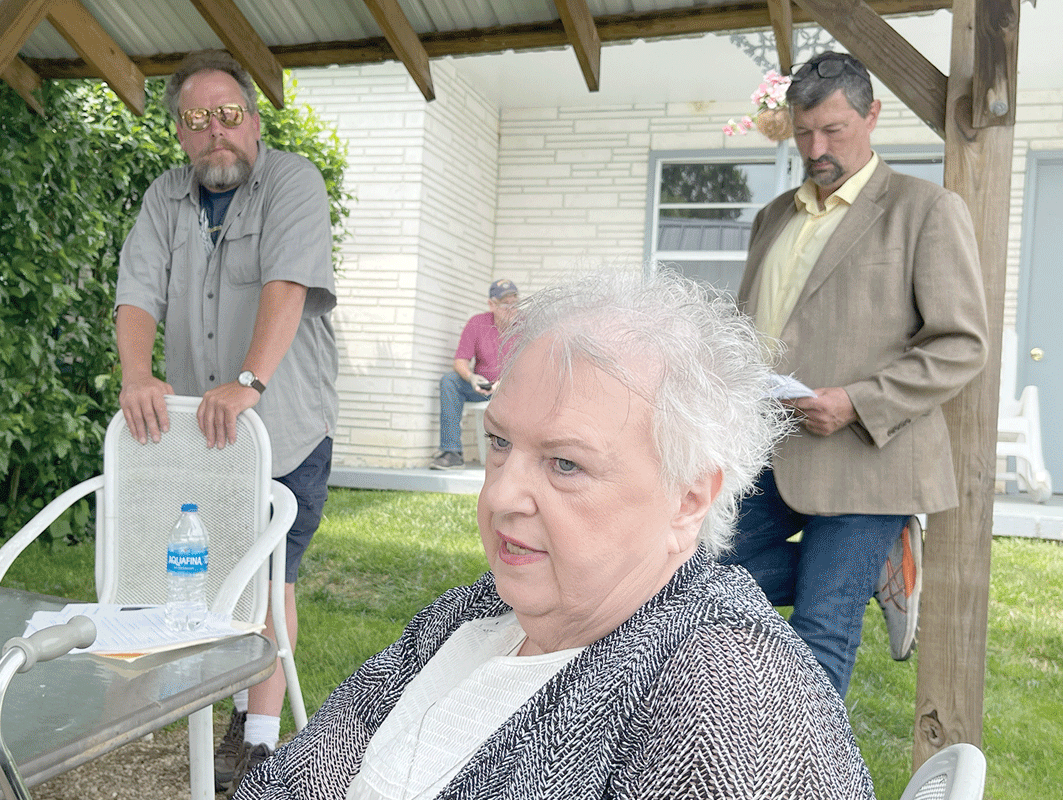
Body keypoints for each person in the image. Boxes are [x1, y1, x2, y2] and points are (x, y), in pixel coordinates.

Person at [234, 270, 875, 800]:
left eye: (565, 463)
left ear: (689, 500)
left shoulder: (733, 715)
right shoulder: (474, 612)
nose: (503, 496)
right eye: (499, 443)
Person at [722, 51, 988, 698]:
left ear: (872, 115)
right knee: (697, 570)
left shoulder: (925, 210)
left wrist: (858, 402)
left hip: (870, 455)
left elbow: (961, 343)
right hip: (767, 448)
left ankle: (808, 778)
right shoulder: (773, 217)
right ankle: (878, 569)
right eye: (804, 130)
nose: (816, 147)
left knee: (822, 629)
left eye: (834, 130)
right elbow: (751, 325)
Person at [114, 50, 338, 794]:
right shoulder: (162, 198)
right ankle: (206, 707)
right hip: (201, 438)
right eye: (197, 119)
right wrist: (137, 375)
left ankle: (259, 737)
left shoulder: (294, 181)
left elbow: (286, 285)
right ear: (179, 132)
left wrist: (248, 381)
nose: (216, 132)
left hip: (283, 421)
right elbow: (138, 291)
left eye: (228, 114)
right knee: (200, 573)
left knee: (269, 576)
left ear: (253, 119)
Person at [429, 279, 519, 470]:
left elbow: (531, 366)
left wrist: (504, 382)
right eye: (505, 304)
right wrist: (471, 377)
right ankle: (451, 453)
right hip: (483, 387)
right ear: (491, 304)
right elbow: (459, 361)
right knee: (450, 381)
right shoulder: (478, 323)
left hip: (514, 389)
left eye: (515, 303)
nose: (511, 308)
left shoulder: (525, 326)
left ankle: (516, 460)